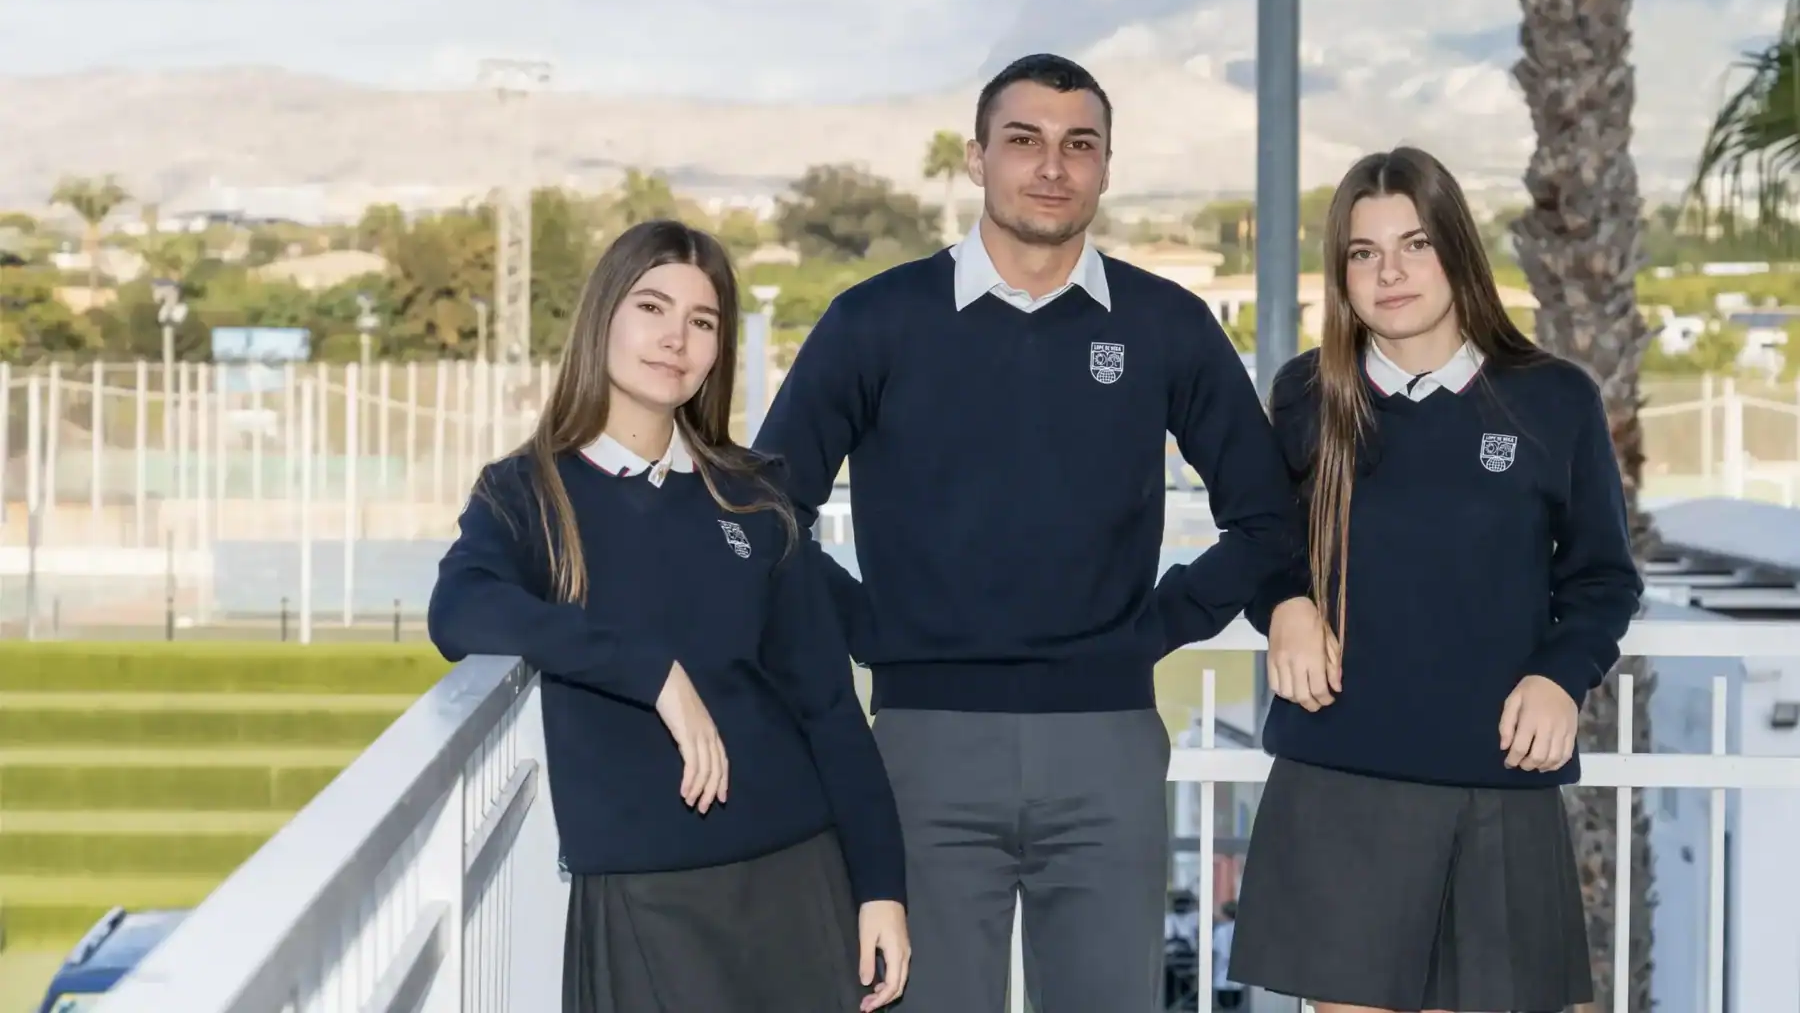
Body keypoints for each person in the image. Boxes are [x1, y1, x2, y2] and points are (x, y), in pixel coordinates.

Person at [752, 53, 1299, 1012]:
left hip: (1107, 744)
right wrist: (871, 629)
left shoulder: (1164, 324)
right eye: (1025, 141)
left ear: (1104, 167)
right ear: (977, 159)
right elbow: (767, 516)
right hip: (922, 744)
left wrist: (1156, 626)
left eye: (1078, 145)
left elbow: (1265, 517)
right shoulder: (877, 321)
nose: (1053, 165)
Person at [427, 219, 912, 1013]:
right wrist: (652, 675)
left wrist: (881, 889)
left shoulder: (756, 495)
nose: (674, 339)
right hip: (642, 897)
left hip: (800, 882)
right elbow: (461, 611)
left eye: (702, 320)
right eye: (651, 307)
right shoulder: (526, 492)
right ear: (603, 319)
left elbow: (828, 707)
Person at [1225, 146, 1642, 1013]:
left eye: (1415, 244)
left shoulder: (1552, 399)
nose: (1392, 272)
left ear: (1457, 250)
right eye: (1364, 253)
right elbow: (1265, 544)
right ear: (1342, 275)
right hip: (1342, 773)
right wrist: (1285, 606)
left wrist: (1559, 677)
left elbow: (1603, 578)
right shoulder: (1308, 395)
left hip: (1496, 776)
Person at [1211, 901, 1242, 1010]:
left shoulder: (1220, 930)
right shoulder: (1242, 929)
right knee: (1235, 1006)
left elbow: (1215, 950)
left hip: (1221, 975)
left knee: (1224, 1006)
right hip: (1238, 977)